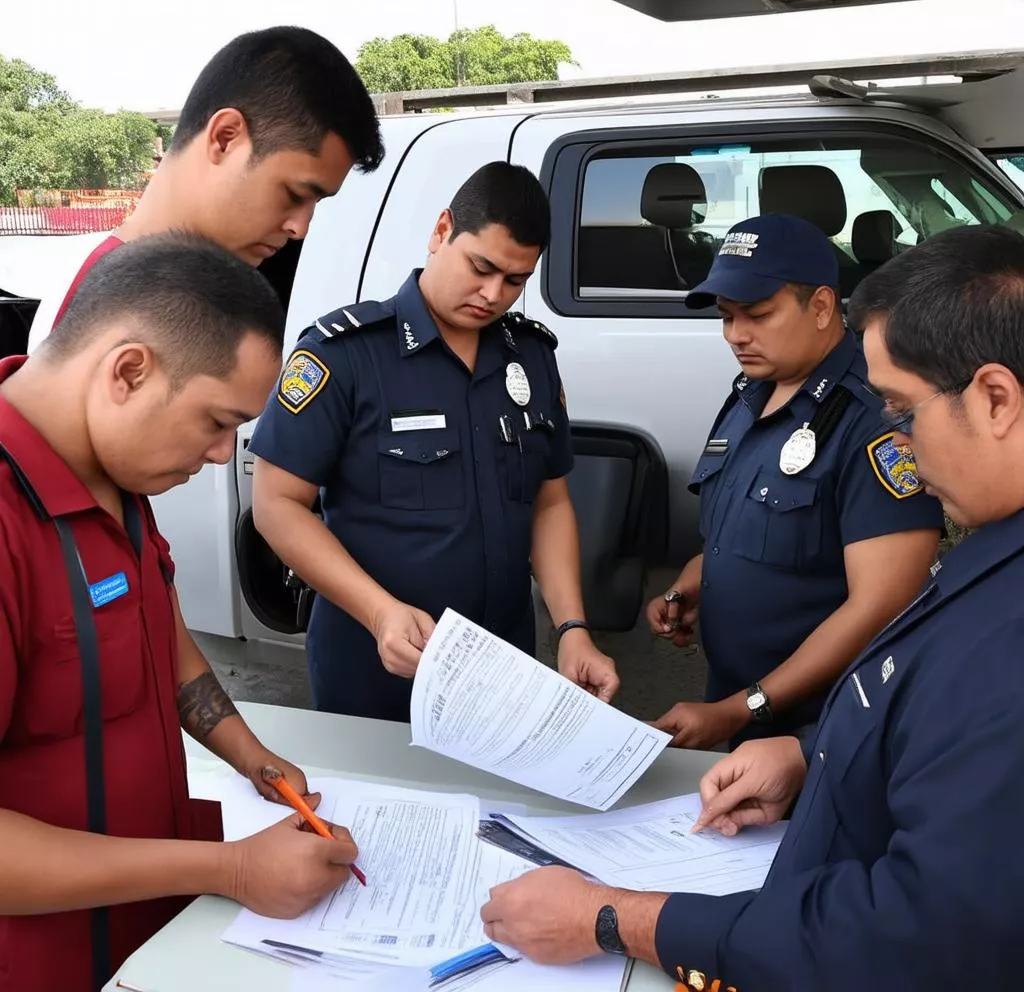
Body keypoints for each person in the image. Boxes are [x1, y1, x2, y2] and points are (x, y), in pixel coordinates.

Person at [480, 223, 1024, 990]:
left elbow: (911, 929)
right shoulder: (754, 401)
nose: (900, 441)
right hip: (781, 790)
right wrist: (811, 759)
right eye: (725, 316)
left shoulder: (1005, 635)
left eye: (904, 413)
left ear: (995, 398)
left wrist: (612, 918)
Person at [0, 234, 360, 992]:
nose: (223, 455)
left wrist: (251, 756)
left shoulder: (117, 470)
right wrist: (231, 867)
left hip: (151, 935)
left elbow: (157, 638)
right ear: (129, 371)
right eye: (216, 421)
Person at [249, 161, 619, 722]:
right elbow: (276, 506)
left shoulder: (532, 358)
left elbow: (549, 501)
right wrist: (378, 613)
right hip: (376, 669)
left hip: (502, 669)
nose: (493, 294)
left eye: (516, 280)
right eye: (482, 267)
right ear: (442, 230)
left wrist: (571, 628)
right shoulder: (343, 354)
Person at [644, 213, 943, 750]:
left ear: (823, 306)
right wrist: (688, 583)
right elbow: (737, 536)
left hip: (822, 729)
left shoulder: (872, 419)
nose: (737, 335)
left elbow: (883, 603)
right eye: (726, 316)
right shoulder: (750, 394)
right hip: (737, 705)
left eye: (757, 315)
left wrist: (745, 707)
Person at [28, 24, 383, 348]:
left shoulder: (181, 291)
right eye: (294, 194)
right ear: (225, 137)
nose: (300, 228)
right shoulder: (106, 314)